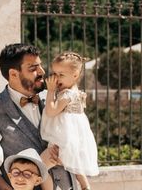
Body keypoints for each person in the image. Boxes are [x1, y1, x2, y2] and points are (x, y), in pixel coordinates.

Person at [0, 44, 75, 190]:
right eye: (33, 68)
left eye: (40, 66)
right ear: (13, 74)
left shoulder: (56, 99)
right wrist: (41, 163)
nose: (42, 72)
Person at [41, 52, 99, 190]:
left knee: (42, 167)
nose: (56, 78)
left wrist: (50, 91)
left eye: (61, 75)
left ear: (75, 75)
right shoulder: (74, 90)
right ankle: (85, 186)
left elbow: (51, 111)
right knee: (74, 160)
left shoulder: (67, 94)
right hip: (71, 134)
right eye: (54, 73)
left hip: (63, 135)